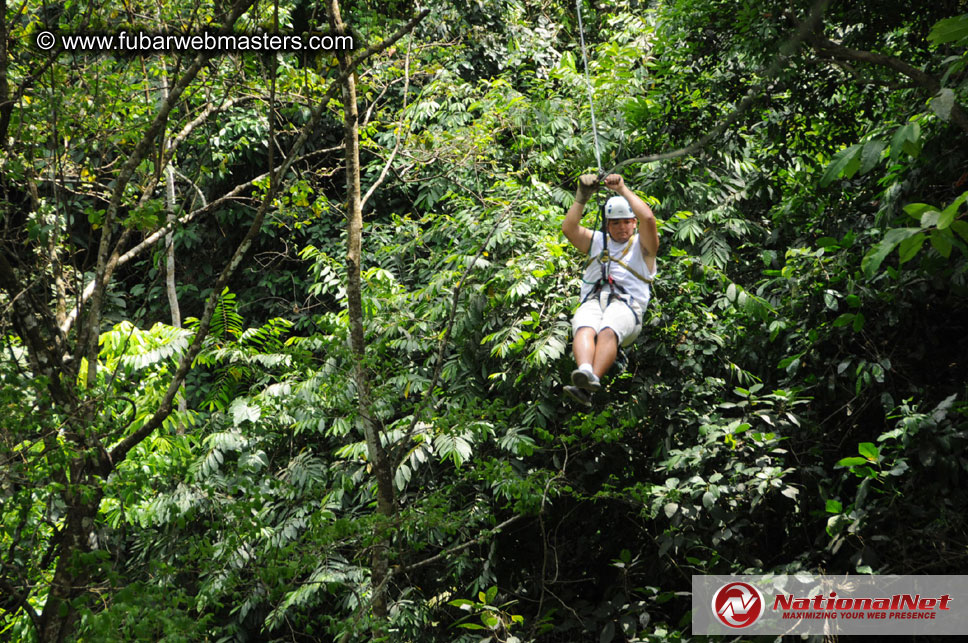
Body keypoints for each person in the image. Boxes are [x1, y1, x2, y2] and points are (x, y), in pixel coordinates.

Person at [560, 173, 659, 406]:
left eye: (627, 222)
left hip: (627, 307)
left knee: (608, 329)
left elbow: (649, 219)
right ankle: (584, 375)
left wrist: (622, 189)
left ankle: (594, 376)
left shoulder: (643, 247)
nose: (622, 227)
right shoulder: (597, 241)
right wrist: (581, 198)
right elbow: (569, 228)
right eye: (615, 223)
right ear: (607, 225)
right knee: (583, 325)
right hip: (595, 299)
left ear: (634, 223)